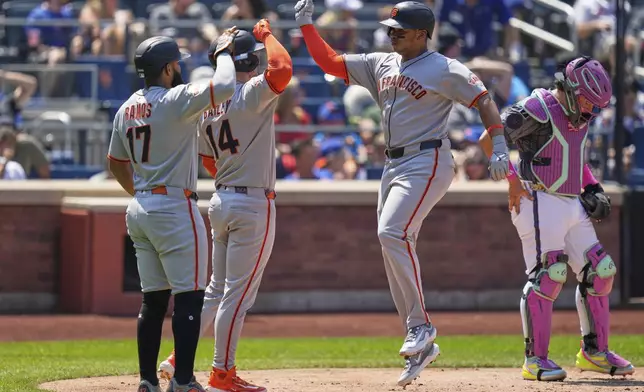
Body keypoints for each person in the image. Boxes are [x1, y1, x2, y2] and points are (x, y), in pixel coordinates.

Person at [293, 0, 511, 386]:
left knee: (391, 233)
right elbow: (330, 63)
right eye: (390, 27)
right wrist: (308, 26)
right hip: (393, 164)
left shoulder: (444, 68)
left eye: (400, 29)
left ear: (422, 34)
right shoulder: (381, 62)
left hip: (429, 159)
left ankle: (421, 328)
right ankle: (418, 335)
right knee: (393, 241)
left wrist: (500, 146)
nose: (391, 33)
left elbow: (484, 100)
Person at [478, 56, 635, 381]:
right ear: (572, 88)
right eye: (588, 102)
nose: (591, 111)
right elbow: (488, 138)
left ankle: (595, 352)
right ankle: (535, 360)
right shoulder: (537, 107)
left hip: (570, 202)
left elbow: (574, 157)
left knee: (601, 271)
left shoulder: (580, 116)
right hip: (537, 197)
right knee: (549, 275)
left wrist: (591, 186)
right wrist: (510, 179)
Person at [157, 20, 292, 392]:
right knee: (237, 294)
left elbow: (209, 162)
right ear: (248, 60)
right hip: (252, 202)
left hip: (221, 198)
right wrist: (266, 34)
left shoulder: (207, 107)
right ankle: (222, 372)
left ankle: (176, 358)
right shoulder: (251, 92)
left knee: (217, 290)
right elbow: (282, 69)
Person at [107, 31, 238, 392]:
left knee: (153, 300)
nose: (178, 68)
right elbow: (225, 85)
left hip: (140, 206)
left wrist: (140, 192)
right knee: (190, 296)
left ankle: (147, 380)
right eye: (176, 63)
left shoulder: (125, 107)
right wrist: (224, 51)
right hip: (174, 205)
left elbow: (115, 162)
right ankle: (182, 380)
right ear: (166, 68)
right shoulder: (175, 98)